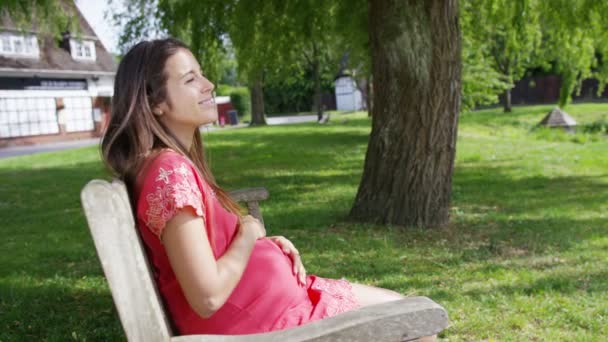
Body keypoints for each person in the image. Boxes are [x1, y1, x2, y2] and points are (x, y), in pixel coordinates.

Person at [101, 38, 405, 335]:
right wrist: (249, 233)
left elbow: (207, 252)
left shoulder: (167, 165)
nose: (209, 85)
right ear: (155, 103)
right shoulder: (169, 173)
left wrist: (263, 245)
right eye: (191, 79)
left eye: (202, 74)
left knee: (405, 310)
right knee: (412, 320)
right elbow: (208, 297)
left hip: (275, 306)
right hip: (267, 325)